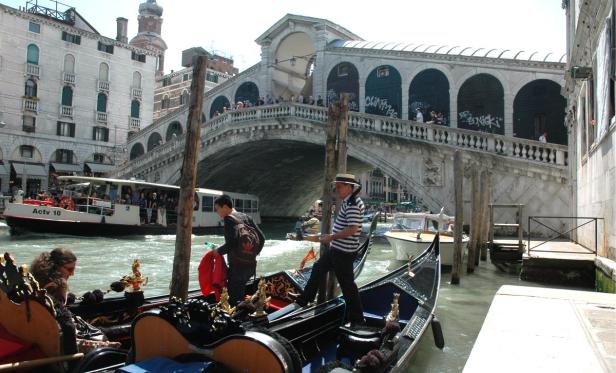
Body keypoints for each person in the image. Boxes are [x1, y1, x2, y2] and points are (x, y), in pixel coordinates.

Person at [295, 174, 366, 326]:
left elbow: (353, 229)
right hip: (338, 249)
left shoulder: (353, 204)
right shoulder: (348, 202)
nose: (337, 189)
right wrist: (332, 237)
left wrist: (332, 237)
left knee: (348, 286)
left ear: (350, 187)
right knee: (318, 267)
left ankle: (358, 319)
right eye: (337, 186)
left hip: (343, 252)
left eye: (340, 186)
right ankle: (305, 299)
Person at [30, 248, 120, 352]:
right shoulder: (57, 286)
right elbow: (65, 326)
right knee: (105, 336)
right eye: (69, 269)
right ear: (55, 267)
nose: (72, 274)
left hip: (45, 331)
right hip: (61, 337)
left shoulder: (38, 282)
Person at [211, 195, 265, 305]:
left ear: (225, 207)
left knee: (235, 300)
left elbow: (232, 243)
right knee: (241, 294)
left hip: (237, 268)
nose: (217, 212)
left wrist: (218, 251)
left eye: (217, 209)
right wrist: (251, 254)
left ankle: (238, 320)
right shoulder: (246, 217)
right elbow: (262, 238)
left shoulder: (229, 219)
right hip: (250, 266)